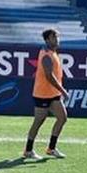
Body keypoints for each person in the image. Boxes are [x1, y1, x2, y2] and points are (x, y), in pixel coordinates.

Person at [22, 27, 69, 160]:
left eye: (57, 37)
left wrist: (58, 91)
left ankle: (51, 148)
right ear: (48, 39)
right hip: (42, 93)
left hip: (53, 94)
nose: (57, 40)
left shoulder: (52, 53)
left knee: (62, 118)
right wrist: (63, 90)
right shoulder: (46, 55)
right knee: (38, 122)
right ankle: (28, 150)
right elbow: (49, 76)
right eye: (54, 37)